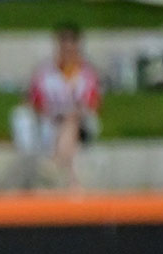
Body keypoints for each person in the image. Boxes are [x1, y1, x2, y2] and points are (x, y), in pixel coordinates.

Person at [14, 23, 101, 190]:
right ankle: (72, 181)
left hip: (80, 125)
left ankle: (55, 163)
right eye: (63, 48)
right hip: (51, 122)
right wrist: (52, 113)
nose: (67, 53)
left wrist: (73, 113)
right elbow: (34, 102)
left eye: (71, 48)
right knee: (65, 129)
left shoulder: (87, 74)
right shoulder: (44, 73)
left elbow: (92, 104)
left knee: (71, 122)